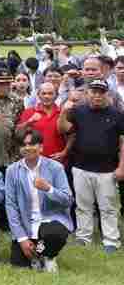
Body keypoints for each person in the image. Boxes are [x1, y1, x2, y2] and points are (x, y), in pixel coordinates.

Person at [57, 78, 124, 252]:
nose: (97, 95)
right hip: (81, 167)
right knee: (83, 206)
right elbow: (63, 129)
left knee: (108, 208)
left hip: (107, 169)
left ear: (107, 94)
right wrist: (64, 112)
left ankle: (111, 240)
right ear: (87, 93)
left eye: (101, 92)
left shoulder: (117, 115)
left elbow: (123, 143)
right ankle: (83, 237)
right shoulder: (78, 111)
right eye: (94, 91)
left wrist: (122, 167)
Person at [5, 130, 74, 272]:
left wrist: (48, 188)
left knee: (54, 234)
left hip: (50, 221)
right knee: (18, 263)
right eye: (23, 145)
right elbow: (11, 206)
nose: (28, 147)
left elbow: (68, 200)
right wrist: (22, 238)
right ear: (19, 149)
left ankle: (47, 256)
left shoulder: (55, 168)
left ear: (41, 147)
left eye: (32, 144)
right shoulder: (12, 170)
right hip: (27, 224)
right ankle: (37, 254)